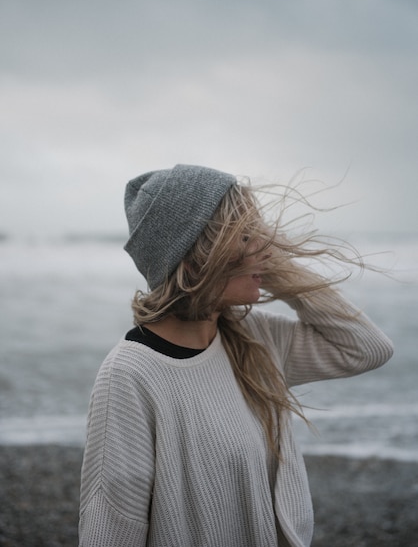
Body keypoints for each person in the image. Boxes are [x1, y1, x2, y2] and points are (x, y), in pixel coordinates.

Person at [78, 164, 393, 547]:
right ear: (195, 258)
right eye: (245, 236)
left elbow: (366, 348)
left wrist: (270, 267)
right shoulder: (132, 373)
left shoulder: (255, 337)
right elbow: (113, 524)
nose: (267, 247)